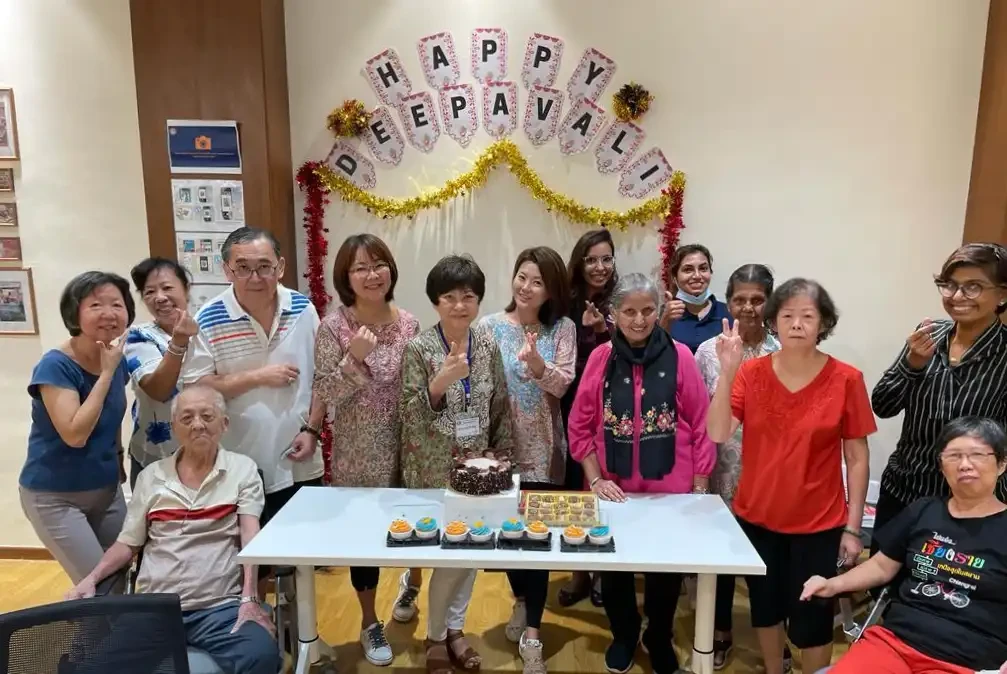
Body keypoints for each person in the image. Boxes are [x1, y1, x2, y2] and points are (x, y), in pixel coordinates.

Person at [707, 278, 876, 674]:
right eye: (787, 316)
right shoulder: (750, 373)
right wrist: (728, 373)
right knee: (765, 608)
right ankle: (773, 668)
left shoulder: (846, 379)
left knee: (813, 617)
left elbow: (856, 456)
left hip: (818, 523)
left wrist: (852, 529)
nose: (797, 324)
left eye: (807, 316)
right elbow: (717, 433)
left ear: (824, 323)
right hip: (757, 516)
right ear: (773, 322)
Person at [64, 386, 281, 674]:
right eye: (187, 418)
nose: (198, 425)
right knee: (91, 669)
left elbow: (249, 536)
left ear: (224, 424)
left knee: (262, 656)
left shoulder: (242, 470)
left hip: (219, 609)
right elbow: (128, 543)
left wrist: (250, 598)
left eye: (207, 416)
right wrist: (91, 578)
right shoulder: (152, 476)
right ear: (174, 427)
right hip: (155, 608)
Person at [567, 273, 715, 674]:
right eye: (628, 311)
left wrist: (700, 485)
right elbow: (580, 426)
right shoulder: (600, 359)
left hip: (672, 491)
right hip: (613, 490)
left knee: (664, 575)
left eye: (647, 310)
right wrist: (596, 479)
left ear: (659, 311)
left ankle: (659, 637)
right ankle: (625, 635)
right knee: (614, 571)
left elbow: (700, 424)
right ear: (613, 313)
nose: (638, 319)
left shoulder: (681, 355)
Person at [802, 416, 1007, 674]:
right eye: (953, 456)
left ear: (1001, 464)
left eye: (977, 455)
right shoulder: (924, 510)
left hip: (967, 660)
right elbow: (881, 565)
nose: (965, 465)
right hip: (894, 643)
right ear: (942, 467)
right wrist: (832, 584)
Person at [400, 254, 515, 674]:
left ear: (479, 301)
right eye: (448, 297)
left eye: (468, 296)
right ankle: (435, 636)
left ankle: (455, 630)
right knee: (449, 555)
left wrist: (505, 467)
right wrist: (440, 382)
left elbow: (500, 406)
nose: (459, 305)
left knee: (470, 553)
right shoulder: (420, 348)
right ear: (435, 302)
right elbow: (408, 414)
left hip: (479, 472)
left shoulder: (488, 345)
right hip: (433, 469)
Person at [312, 233, 420, 666]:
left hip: (410, 447)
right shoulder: (334, 327)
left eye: (378, 264)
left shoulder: (409, 322)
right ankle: (370, 621)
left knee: (417, 524)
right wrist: (352, 358)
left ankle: (410, 588)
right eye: (360, 267)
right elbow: (325, 392)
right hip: (359, 453)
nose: (372, 274)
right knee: (363, 541)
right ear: (346, 277)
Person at [182, 227, 325, 535]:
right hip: (240, 463)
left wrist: (312, 429)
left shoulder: (302, 309)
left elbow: (322, 377)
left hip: (299, 455)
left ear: (280, 267)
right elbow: (197, 387)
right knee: (252, 562)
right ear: (227, 271)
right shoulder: (208, 318)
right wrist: (258, 377)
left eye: (264, 267)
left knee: (302, 554)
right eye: (243, 269)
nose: (255, 278)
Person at [871, 243, 1007, 552]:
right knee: (884, 584)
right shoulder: (928, 333)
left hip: (969, 504)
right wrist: (912, 365)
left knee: (945, 593)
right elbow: (882, 405)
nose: (957, 297)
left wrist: (996, 507)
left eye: (973, 287)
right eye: (950, 285)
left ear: (1002, 294)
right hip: (904, 489)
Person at [479, 246, 576, 674]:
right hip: (499, 451)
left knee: (536, 540)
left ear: (551, 289)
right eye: (522, 276)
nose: (526, 287)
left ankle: (534, 631)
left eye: (537, 282)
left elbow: (562, 387)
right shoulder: (488, 326)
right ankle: (520, 600)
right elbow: (478, 386)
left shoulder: (563, 329)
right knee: (508, 537)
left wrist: (538, 364)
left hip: (544, 448)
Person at [19, 271, 134, 585]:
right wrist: (107, 373)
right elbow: (75, 433)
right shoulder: (55, 365)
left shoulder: (113, 357)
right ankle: (91, 635)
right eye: (96, 305)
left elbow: (112, 414)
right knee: (95, 586)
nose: (109, 313)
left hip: (107, 490)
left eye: (117, 304)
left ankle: (112, 635)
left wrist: (119, 455)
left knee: (122, 578)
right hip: (55, 496)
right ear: (75, 313)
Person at [694, 263, 780, 670]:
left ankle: (771, 635)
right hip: (720, 468)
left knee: (767, 558)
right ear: (728, 302)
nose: (748, 308)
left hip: (767, 472)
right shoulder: (707, 352)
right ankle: (722, 629)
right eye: (740, 300)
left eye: (757, 300)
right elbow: (696, 414)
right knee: (723, 555)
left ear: (770, 302)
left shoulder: (782, 352)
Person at [558, 228, 618, 608]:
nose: (599, 267)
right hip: (568, 405)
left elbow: (630, 350)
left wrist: (602, 329)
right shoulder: (564, 301)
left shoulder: (622, 299)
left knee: (605, 483)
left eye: (606, 259)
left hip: (611, 408)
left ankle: (602, 574)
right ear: (579, 262)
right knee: (573, 483)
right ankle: (579, 572)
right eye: (592, 259)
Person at [124, 257, 199, 486]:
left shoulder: (206, 328)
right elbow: (159, 389)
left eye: (167, 288)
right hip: (156, 458)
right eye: (149, 292)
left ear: (186, 289)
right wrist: (178, 342)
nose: (159, 297)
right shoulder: (139, 336)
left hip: (208, 452)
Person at [660, 244, 731, 354]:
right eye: (688, 270)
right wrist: (665, 322)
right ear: (675, 277)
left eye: (703, 268)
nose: (697, 276)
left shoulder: (728, 312)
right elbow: (653, 356)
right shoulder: (664, 314)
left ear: (710, 272)